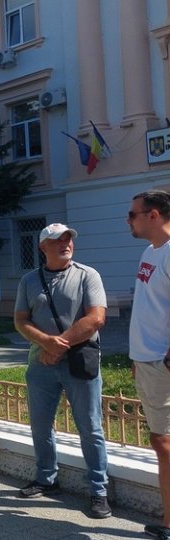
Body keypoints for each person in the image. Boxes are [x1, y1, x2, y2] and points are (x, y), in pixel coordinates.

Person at [13, 223, 110, 519]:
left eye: (68, 239)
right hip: (40, 364)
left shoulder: (86, 275)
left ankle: (98, 490)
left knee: (90, 429)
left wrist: (59, 346)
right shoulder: (29, 280)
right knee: (40, 426)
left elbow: (96, 319)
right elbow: (20, 320)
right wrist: (45, 343)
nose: (65, 244)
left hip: (79, 363)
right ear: (43, 247)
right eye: (57, 240)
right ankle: (46, 478)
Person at [126, 190, 170, 539]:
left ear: (153, 215)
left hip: (163, 363)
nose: (129, 220)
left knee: (164, 441)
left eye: (133, 214)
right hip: (148, 360)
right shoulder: (149, 252)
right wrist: (137, 358)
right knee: (161, 440)